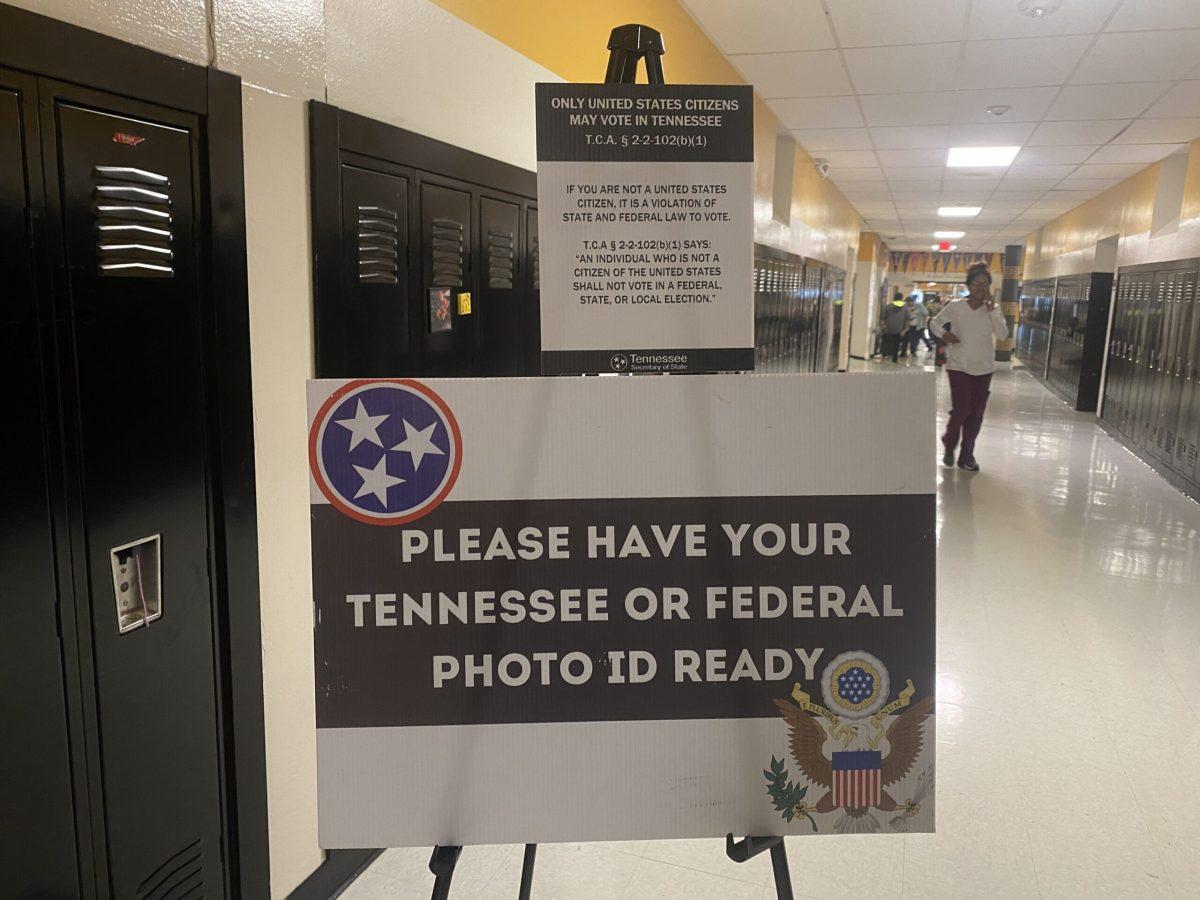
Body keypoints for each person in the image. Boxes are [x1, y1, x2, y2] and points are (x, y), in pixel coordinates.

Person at [930, 263, 1008, 471]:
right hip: (959, 365)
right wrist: (944, 334)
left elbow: (1002, 335)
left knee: (976, 414)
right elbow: (934, 323)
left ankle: (967, 456)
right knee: (962, 409)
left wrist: (992, 312)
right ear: (969, 285)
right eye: (976, 284)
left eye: (985, 284)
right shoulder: (956, 306)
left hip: (984, 367)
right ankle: (950, 444)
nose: (980, 288)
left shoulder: (995, 310)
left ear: (989, 287)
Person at [880, 293, 910, 363]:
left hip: (888, 329)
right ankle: (895, 359)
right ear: (901, 298)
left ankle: (883, 357)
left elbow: (883, 318)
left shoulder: (888, 307)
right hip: (899, 330)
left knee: (885, 343)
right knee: (896, 344)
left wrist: (882, 327)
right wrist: (904, 330)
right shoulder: (905, 308)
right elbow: (907, 320)